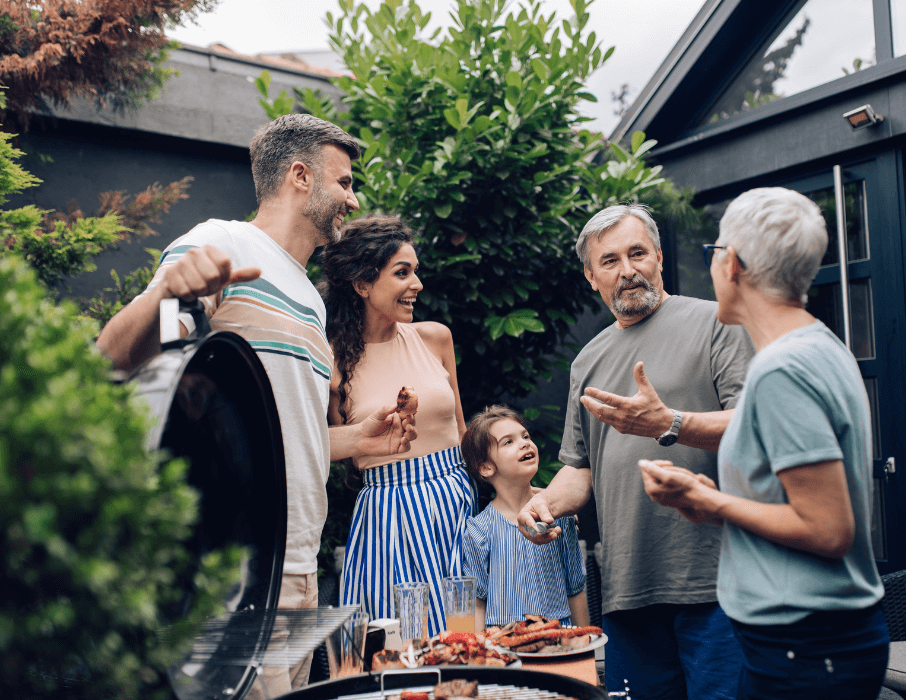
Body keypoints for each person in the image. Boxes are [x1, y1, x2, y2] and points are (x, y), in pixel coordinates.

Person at [96, 114, 416, 695]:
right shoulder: (221, 242)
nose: (352, 197)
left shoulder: (309, 300)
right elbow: (116, 362)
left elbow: (278, 435)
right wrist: (168, 293)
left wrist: (356, 440)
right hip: (232, 571)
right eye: (343, 182)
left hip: (296, 565)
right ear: (300, 176)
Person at [638, 187, 888, 699]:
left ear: (732, 265)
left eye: (715, 252)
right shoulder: (819, 343)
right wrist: (709, 505)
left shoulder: (782, 370)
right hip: (816, 641)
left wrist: (711, 501)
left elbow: (827, 527)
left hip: (804, 645)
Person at [517, 203, 756, 700]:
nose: (627, 270)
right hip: (628, 587)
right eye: (609, 261)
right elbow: (580, 467)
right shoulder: (587, 362)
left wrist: (668, 423)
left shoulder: (717, 323)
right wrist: (545, 503)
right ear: (590, 276)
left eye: (637, 253)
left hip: (715, 581)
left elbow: (755, 427)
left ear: (660, 257)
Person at [323, 215, 476, 637]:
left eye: (416, 271)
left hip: (455, 506)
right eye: (402, 273)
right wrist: (364, 441)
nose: (417, 284)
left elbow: (462, 433)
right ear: (362, 284)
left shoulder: (435, 338)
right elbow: (318, 446)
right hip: (387, 517)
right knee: (402, 646)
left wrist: (513, 496)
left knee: (465, 640)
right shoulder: (332, 363)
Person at [460, 405, 588, 632]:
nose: (525, 443)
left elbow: (575, 588)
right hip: (504, 648)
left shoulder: (559, 516)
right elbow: (478, 604)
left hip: (559, 641)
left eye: (525, 436)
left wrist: (586, 647)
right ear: (487, 467)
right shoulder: (478, 530)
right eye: (508, 442)